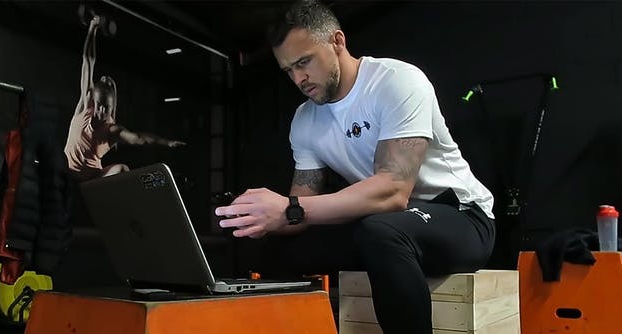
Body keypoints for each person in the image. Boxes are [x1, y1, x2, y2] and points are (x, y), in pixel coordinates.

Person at [214, 1, 495, 333]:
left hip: (462, 216)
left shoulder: (396, 81)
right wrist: (261, 215)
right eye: (289, 70)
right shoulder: (305, 120)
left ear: (337, 42)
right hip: (385, 221)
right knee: (278, 252)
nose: (299, 79)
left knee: (381, 231)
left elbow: (393, 192)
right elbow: (298, 210)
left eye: (304, 62)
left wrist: (289, 209)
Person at [64, 16, 186, 181]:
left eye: (106, 107)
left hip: (92, 181)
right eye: (99, 105)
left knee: (122, 169)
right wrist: (92, 29)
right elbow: (87, 62)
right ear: (94, 101)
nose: (101, 111)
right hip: (68, 175)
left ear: (111, 106)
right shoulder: (84, 108)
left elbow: (139, 139)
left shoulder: (111, 130)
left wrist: (166, 142)